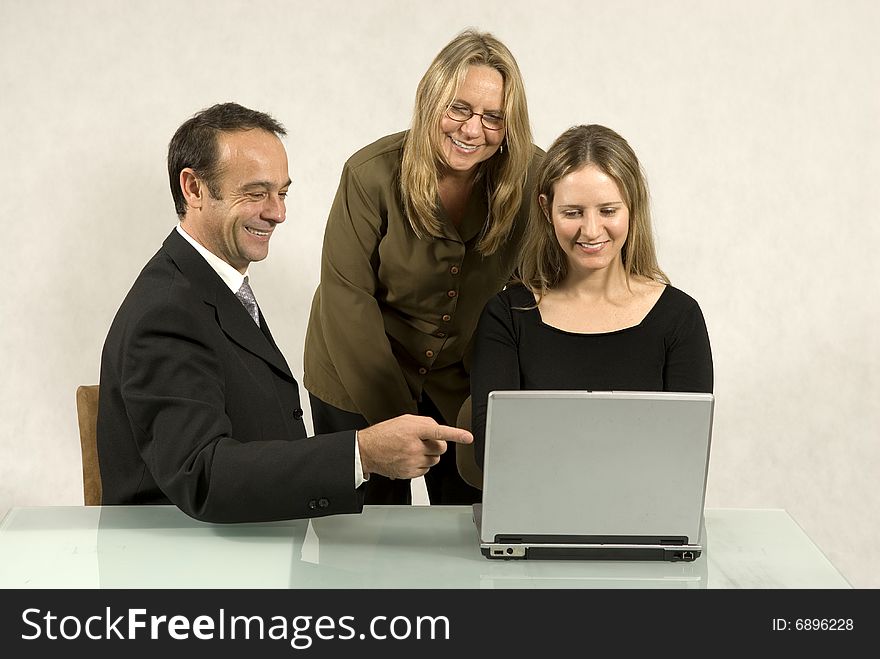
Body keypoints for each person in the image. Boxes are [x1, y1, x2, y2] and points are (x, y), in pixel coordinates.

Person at [96, 102, 472, 523]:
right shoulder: (166, 312)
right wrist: (361, 453)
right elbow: (203, 474)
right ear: (194, 189)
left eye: (282, 192)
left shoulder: (210, 286)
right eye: (256, 193)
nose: (278, 212)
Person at [303, 29, 543, 505]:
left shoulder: (533, 175)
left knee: (468, 528)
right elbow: (346, 297)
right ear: (431, 99)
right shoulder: (369, 173)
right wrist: (395, 420)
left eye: (493, 117)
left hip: (461, 376)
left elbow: (547, 280)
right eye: (459, 108)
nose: (473, 130)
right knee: (362, 543)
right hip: (357, 368)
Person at [470, 124, 714, 467]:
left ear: (633, 206)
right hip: (535, 517)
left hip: (645, 516)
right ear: (546, 209)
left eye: (608, 211)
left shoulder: (679, 318)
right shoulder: (508, 316)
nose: (591, 230)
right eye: (572, 213)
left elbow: (686, 456)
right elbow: (493, 453)